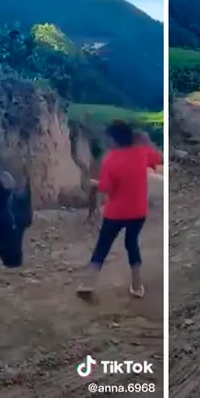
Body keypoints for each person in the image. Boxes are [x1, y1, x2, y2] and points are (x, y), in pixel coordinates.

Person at [77, 120, 162, 298]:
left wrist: (94, 183)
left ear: (114, 139)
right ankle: (137, 286)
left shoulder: (110, 159)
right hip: (138, 212)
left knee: (103, 246)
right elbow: (158, 158)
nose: (107, 141)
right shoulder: (142, 153)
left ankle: (88, 283)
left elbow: (107, 188)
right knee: (132, 244)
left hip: (116, 212)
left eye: (109, 138)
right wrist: (145, 143)